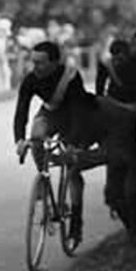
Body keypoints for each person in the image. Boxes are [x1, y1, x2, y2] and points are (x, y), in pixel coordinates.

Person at [13, 40, 101, 248]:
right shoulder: (31, 79)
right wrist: (19, 139)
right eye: (33, 62)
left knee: (72, 168)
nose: (35, 67)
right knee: (36, 138)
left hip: (74, 118)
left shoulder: (70, 76)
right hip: (50, 113)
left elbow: (80, 112)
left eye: (41, 63)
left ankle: (76, 224)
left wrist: (74, 143)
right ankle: (44, 180)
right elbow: (21, 111)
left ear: (54, 63)